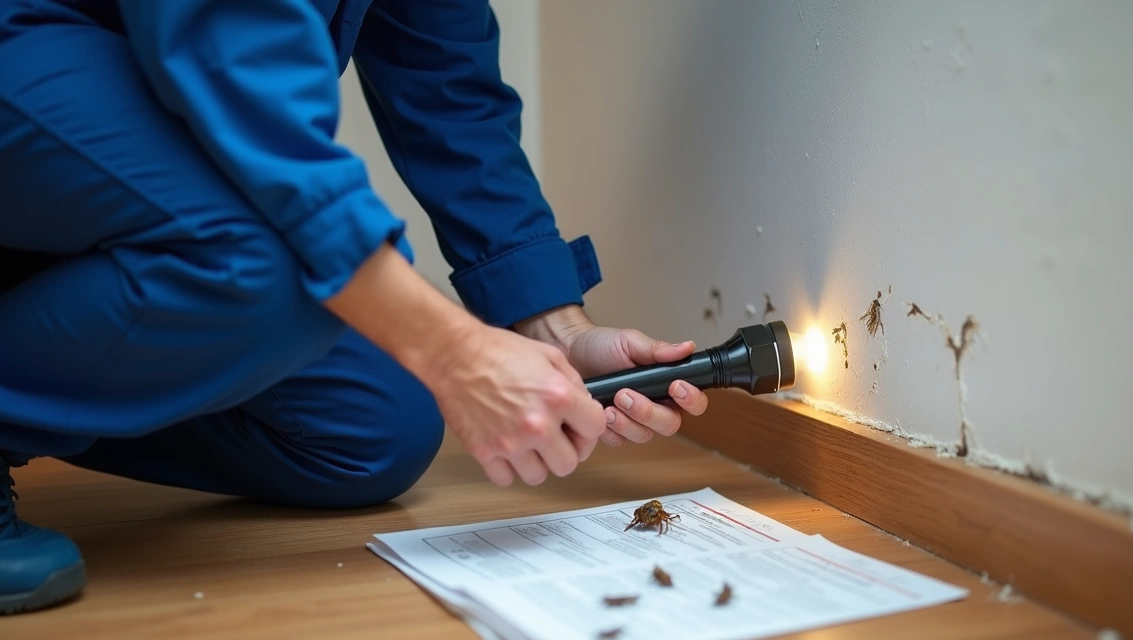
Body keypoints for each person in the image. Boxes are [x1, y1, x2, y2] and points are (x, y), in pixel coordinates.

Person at [0, 0, 710, 615]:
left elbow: (447, 85)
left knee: (375, 427)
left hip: (109, 158)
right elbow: (239, 66)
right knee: (278, 272)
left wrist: (558, 329)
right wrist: (453, 349)